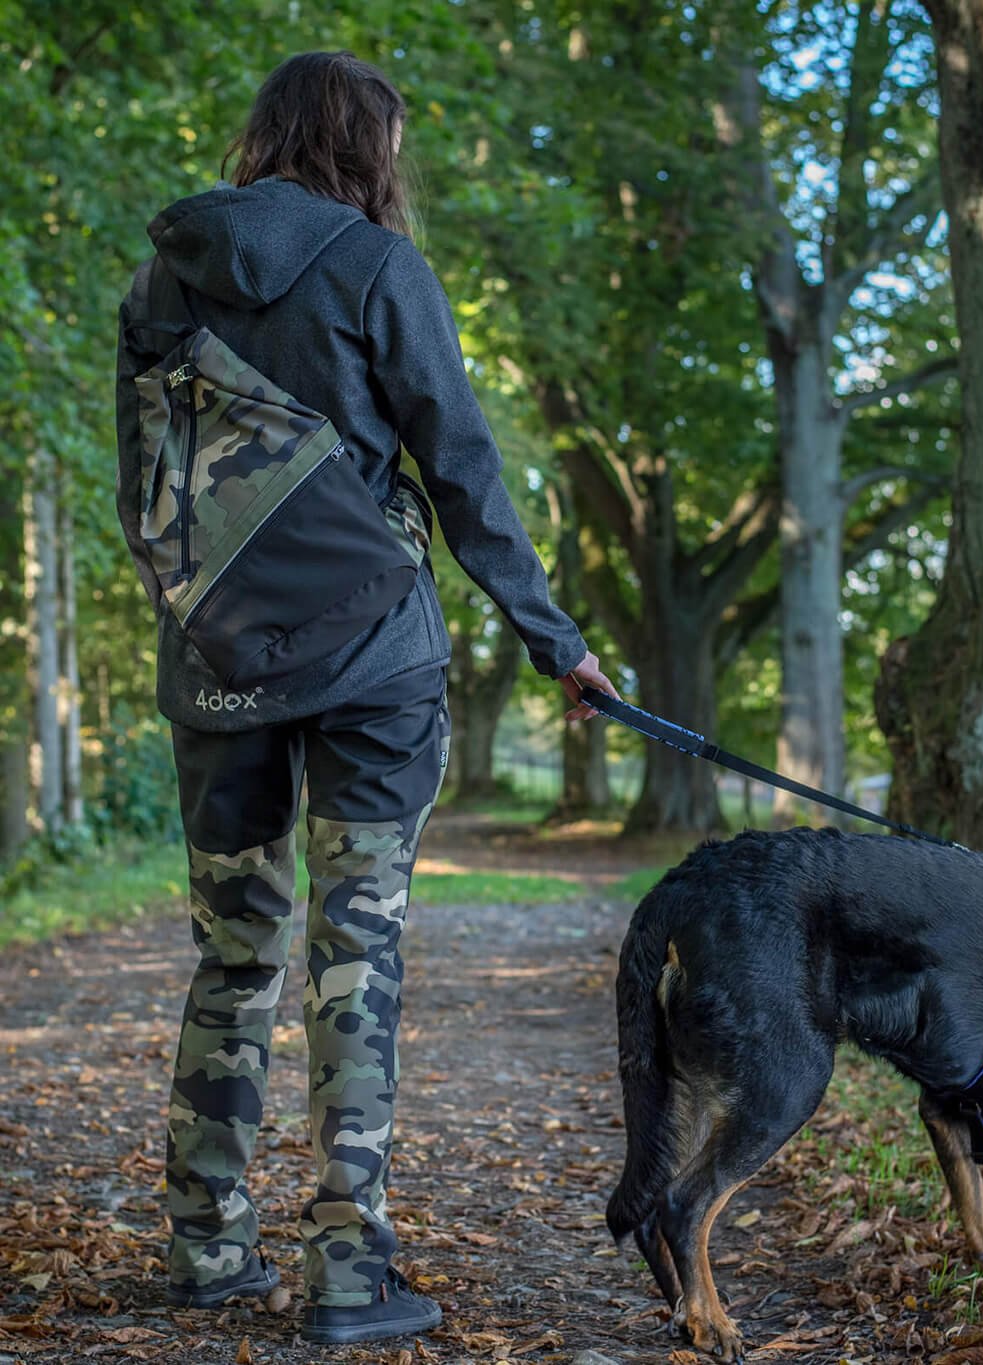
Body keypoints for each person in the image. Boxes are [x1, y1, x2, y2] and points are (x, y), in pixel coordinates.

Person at [115, 49, 616, 1348]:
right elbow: (465, 477)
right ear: (364, 148)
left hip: (213, 663)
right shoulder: (378, 270)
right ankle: (347, 1271)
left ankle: (204, 1247)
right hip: (372, 662)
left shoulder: (159, 277)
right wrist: (558, 644)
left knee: (232, 954)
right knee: (356, 950)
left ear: (265, 136)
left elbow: (148, 494)